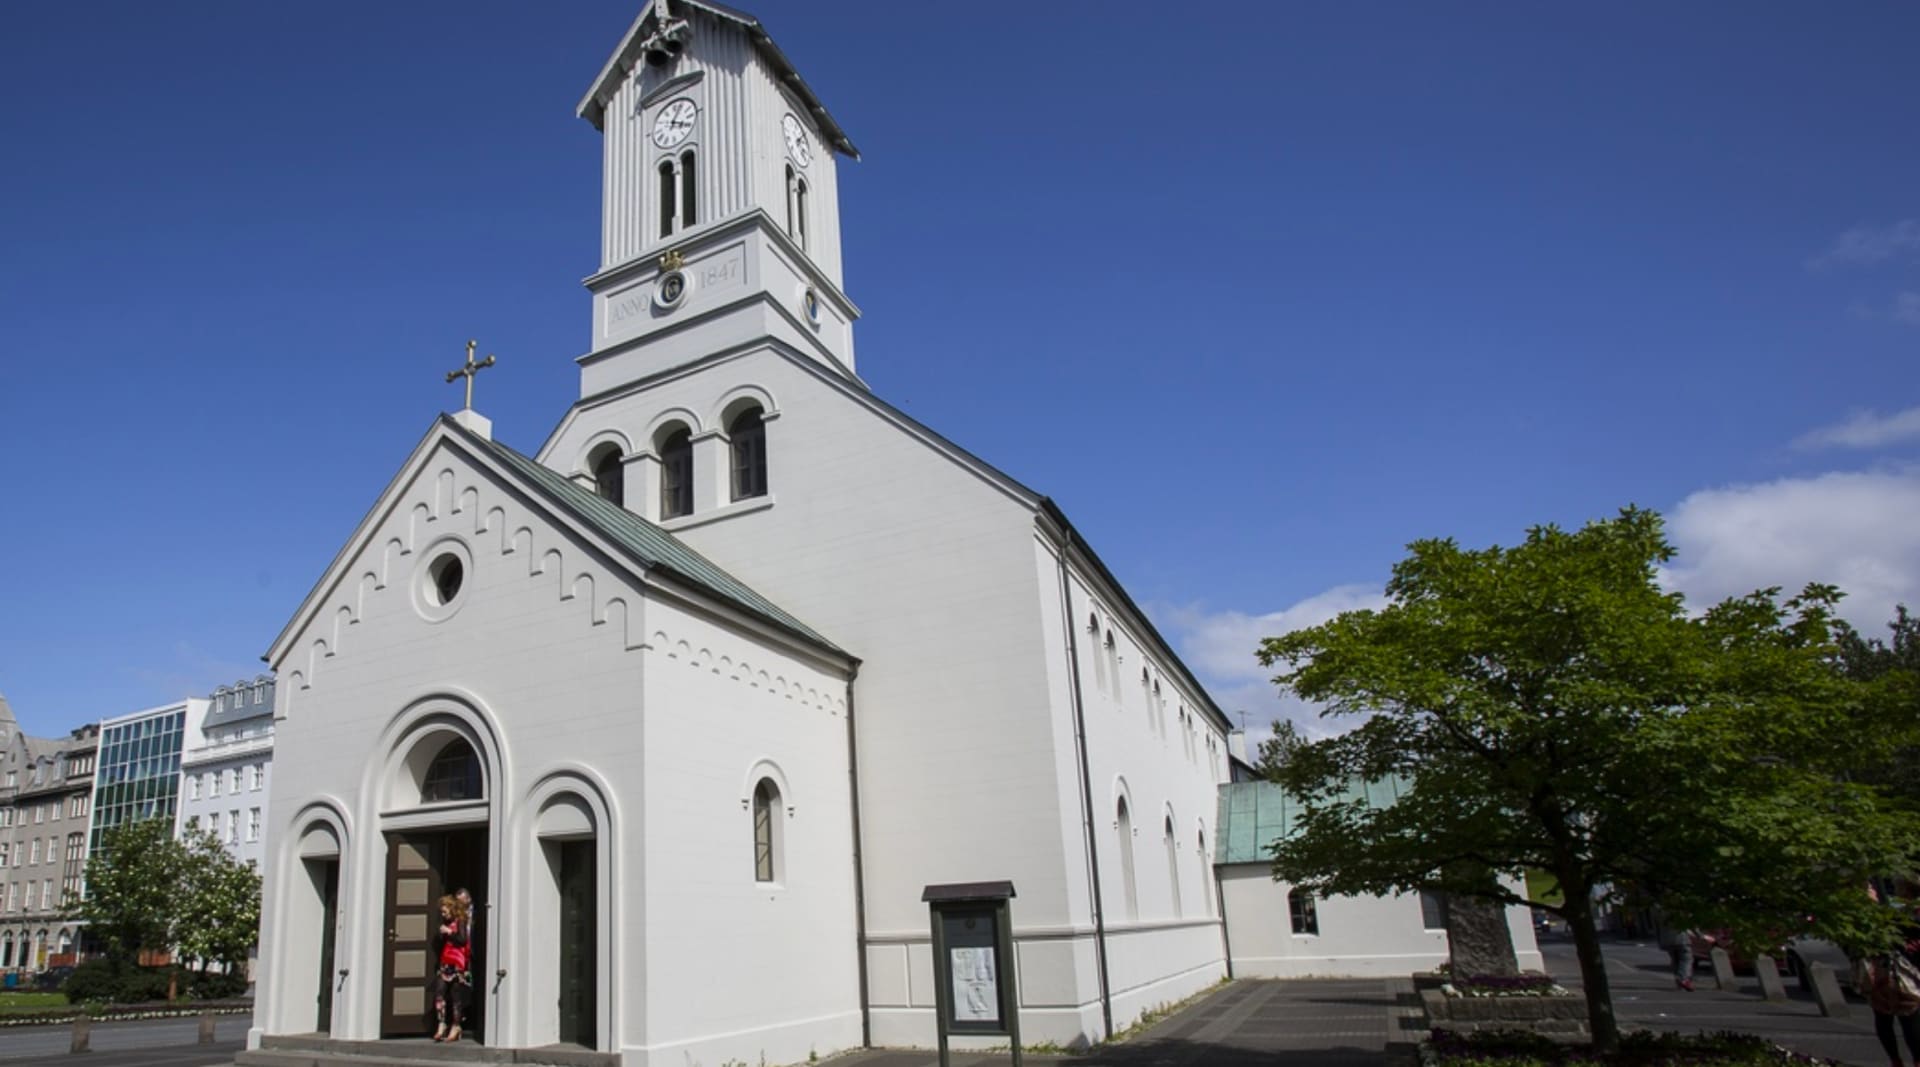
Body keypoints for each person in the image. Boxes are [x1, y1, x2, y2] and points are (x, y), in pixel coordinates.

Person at [1859, 883, 1920, 1067]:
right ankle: (1907, 1060)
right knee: (1904, 1018)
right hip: (1893, 973)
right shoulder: (1896, 914)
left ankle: (1901, 1060)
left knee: (1900, 1017)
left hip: (1895, 972)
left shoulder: (1897, 914)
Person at [429, 894, 472, 1043]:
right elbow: (442, 943)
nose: (443, 914)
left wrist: (449, 932)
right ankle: (441, 1024)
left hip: (457, 961)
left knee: (456, 995)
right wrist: (442, 934)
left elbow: (462, 940)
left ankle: (456, 1026)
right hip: (445, 960)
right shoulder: (445, 922)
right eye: (442, 912)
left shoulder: (460, 921)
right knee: (439, 992)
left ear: (452, 909)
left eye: (445, 911)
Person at [1657, 921, 1694, 992]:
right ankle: (1683, 979)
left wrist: (1660, 941)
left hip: (1668, 940)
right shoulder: (1680, 911)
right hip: (1682, 939)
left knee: (1675, 960)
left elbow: (1658, 927)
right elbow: (1691, 925)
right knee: (1686, 960)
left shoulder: (1659, 912)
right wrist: (1701, 936)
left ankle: (1679, 982)